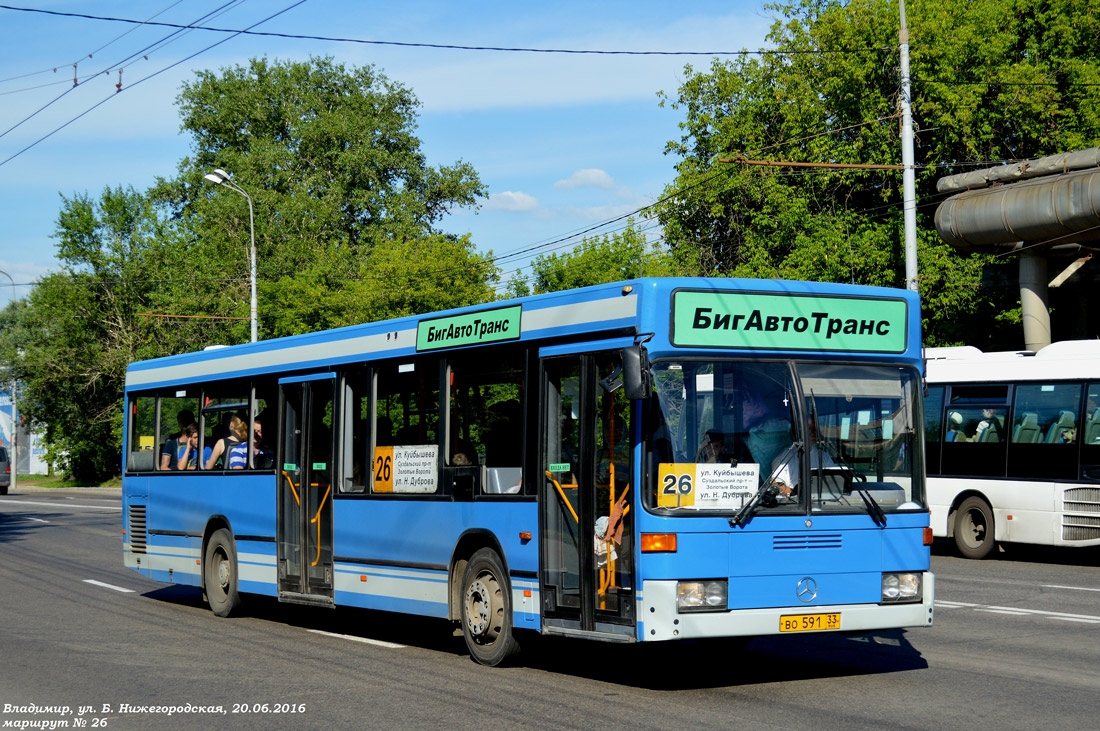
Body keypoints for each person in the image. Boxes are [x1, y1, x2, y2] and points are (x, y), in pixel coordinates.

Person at [769, 420, 835, 496]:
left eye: (816, 430)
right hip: (793, 504)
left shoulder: (824, 457)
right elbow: (777, 484)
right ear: (799, 432)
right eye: (810, 429)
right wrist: (795, 494)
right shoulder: (784, 458)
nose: (814, 433)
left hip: (823, 501)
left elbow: (834, 482)